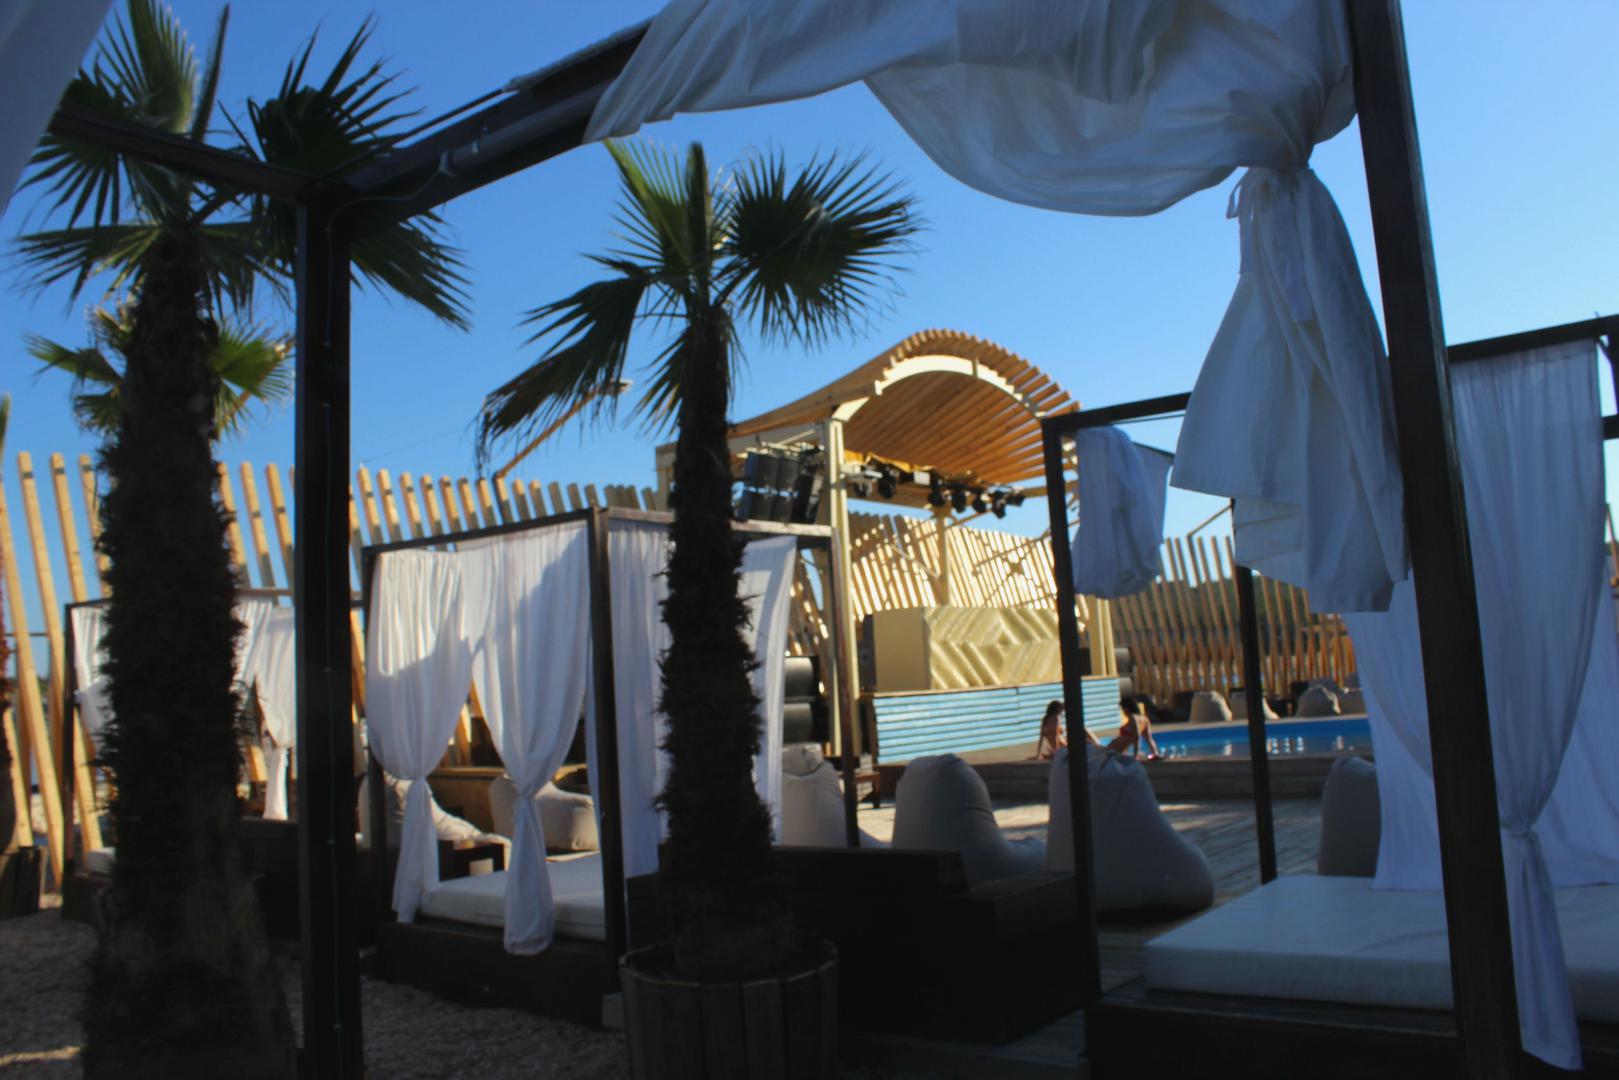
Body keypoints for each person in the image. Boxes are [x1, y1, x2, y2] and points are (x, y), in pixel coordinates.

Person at [1082, 696, 1163, 760]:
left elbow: (1136, 738)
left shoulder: (1133, 718)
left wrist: (1135, 756)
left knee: (1087, 733)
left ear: (1126, 708)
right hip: (1114, 749)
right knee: (1091, 740)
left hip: (1111, 750)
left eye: (1122, 708)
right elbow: (1149, 739)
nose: (1123, 711)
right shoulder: (1144, 719)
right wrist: (1155, 753)